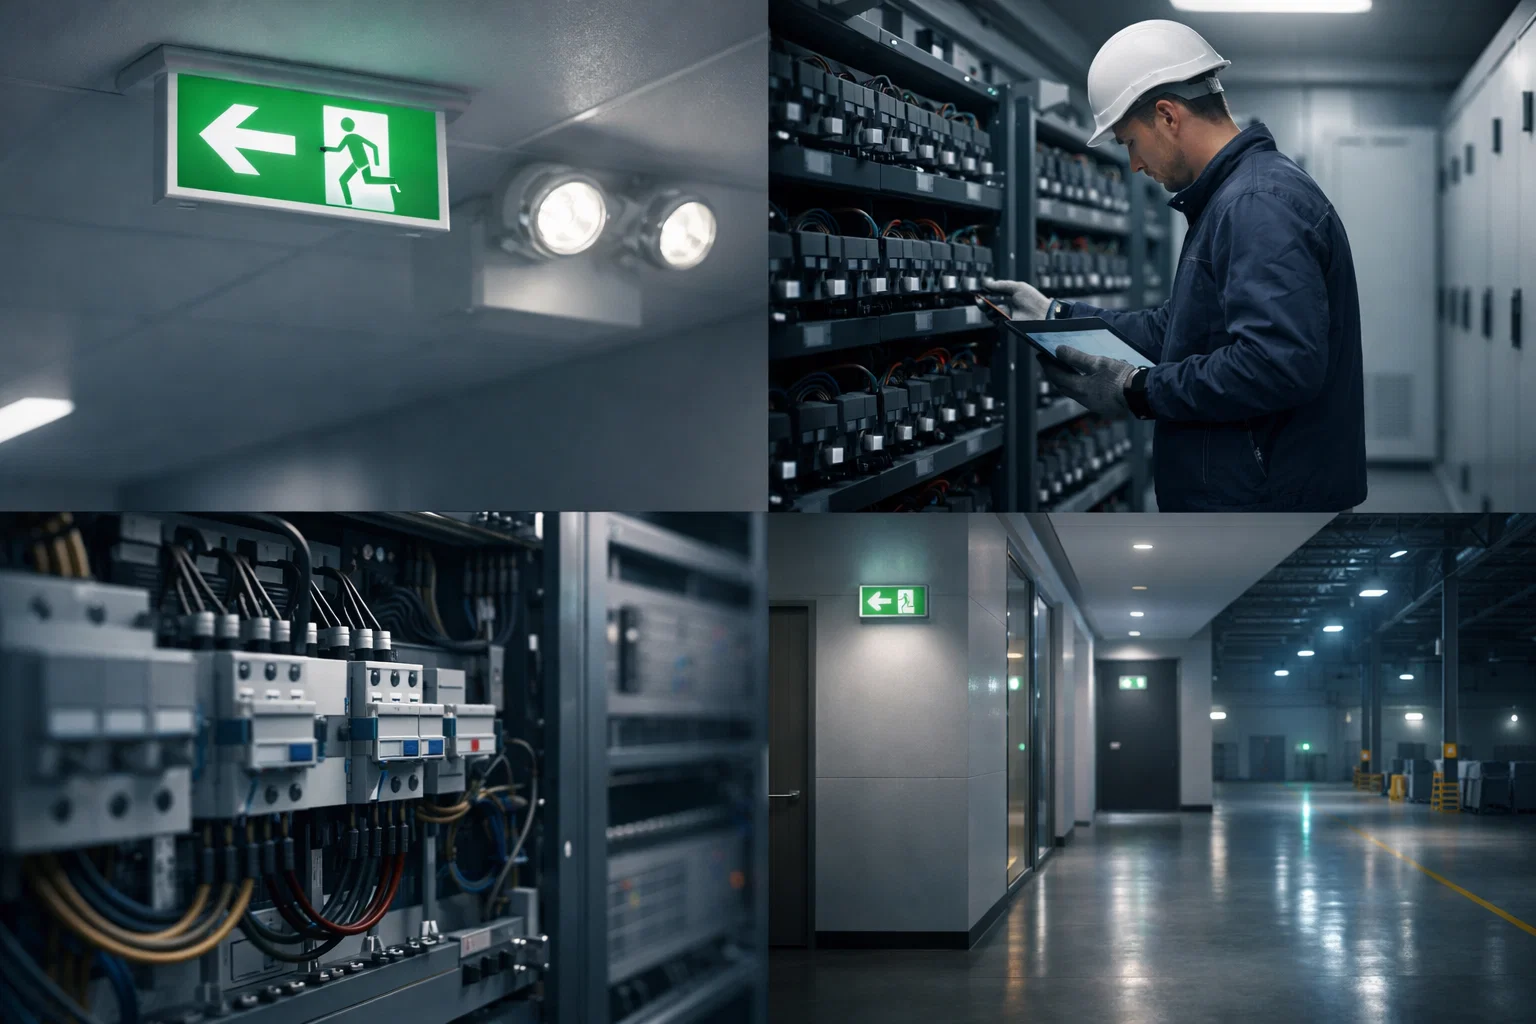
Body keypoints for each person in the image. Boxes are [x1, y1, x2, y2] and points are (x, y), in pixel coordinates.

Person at [987, 20, 1365, 512]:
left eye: (1129, 142)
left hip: (1262, 506)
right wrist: (1056, 315)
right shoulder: (1232, 198)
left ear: (1167, 116)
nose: (1134, 165)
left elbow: (1276, 364)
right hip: (1250, 493)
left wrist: (1138, 388)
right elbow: (1181, 329)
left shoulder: (1255, 203)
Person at [321, 117, 400, 207]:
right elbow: (374, 147)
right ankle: (348, 203)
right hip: (359, 163)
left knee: (345, 180)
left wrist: (377, 162)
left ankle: (348, 203)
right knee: (362, 180)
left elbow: (374, 146)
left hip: (361, 163)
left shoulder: (350, 137)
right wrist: (326, 149)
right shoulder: (351, 137)